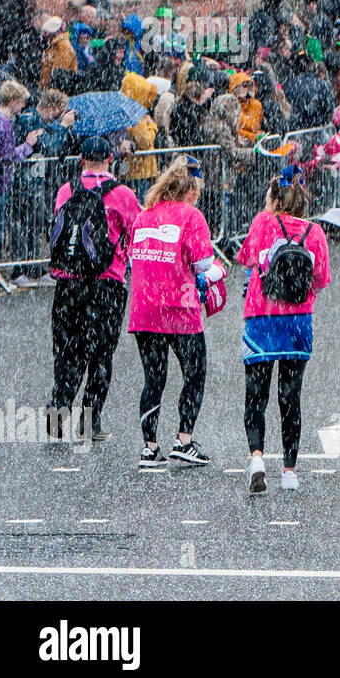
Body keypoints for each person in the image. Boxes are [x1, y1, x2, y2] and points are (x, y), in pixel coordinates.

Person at [237, 167, 332, 493]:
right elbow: (320, 280)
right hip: (297, 324)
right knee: (290, 397)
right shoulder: (315, 232)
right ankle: (290, 471)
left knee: (256, 396)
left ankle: (257, 458)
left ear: (274, 197)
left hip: (262, 319)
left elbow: (246, 258)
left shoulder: (263, 223)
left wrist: (267, 214)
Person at [128, 156, 223, 468]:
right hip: (179, 308)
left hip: (144, 309)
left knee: (153, 380)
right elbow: (204, 266)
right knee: (194, 373)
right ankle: (184, 439)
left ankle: (149, 447)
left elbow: (134, 261)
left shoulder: (143, 217)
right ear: (191, 192)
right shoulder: (191, 216)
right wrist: (217, 273)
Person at [46, 137, 141, 442]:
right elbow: (136, 234)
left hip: (68, 282)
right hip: (106, 283)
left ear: (82, 159)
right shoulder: (123, 194)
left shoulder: (66, 189)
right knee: (101, 353)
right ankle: (91, 421)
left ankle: (57, 416)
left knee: (66, 351)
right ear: (110, 158)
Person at [0, 80, 40, 260]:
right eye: (21, 101)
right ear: (12, 100)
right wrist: (27, 146)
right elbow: (7, 157)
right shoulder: (2, 122)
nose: (23, 105)